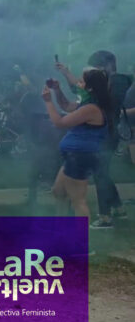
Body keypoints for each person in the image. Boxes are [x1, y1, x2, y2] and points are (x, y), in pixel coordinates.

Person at [57, 51, 129, 228]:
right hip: (103, 132)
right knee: (101, 172)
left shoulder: (117, 81)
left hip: (106, 134)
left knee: (101, 174)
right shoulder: (101, 83)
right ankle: (118, 207)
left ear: (108, 65)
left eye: (96, 67)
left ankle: (105, 216)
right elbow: (80, 88)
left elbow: (86, 90)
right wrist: (66, 73)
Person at [43, 68, 112, 220]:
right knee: (59, 192)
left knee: (78, 201)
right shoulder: (87, 104)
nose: (78, 83)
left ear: (90, 87)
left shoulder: (91, 108)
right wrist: (57, 90)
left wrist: (48, 102)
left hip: (80, 156)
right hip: (74, 156)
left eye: (81, 81)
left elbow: (59, 122)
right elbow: (66, 106)